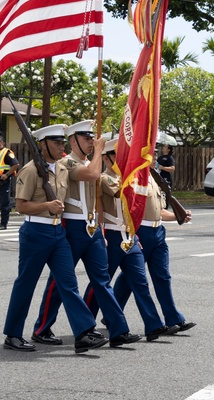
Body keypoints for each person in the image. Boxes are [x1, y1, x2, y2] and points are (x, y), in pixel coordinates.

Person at [31, 120, 140, 348]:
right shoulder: (66, 163)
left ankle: (118, 330)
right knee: (59, 282)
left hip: (91, 228)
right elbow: (91, 175)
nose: (92, 142)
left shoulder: (93, 162)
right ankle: (42, 328)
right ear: (73, 141)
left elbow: (97, 196)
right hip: (71, 226)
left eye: (92, 138)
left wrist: (99, 222)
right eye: (86, 138)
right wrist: (100, 150)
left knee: (102, 280)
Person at [1, 124, 108, 354]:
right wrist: (46, 206)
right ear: (42, 145)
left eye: (62, 142)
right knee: (26, 284)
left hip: (58, 232)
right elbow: (21, 206)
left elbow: (91, 173)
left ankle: (83, 333)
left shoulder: (61, 167)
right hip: (36, 233)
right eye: (57, 142)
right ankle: (13, 334)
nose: (62, 146)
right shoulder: (29, 170)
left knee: (68, 283)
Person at [89, 136, 188, 340]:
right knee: (101, 282)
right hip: (113, 235)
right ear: (107, 159)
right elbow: (125, 196)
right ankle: (86, 322)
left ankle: (154, 325)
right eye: (119, 155)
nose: (126, 158)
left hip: (132, 234)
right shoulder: (106, 178)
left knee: (141, 282)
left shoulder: (138, 177)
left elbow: (155, 209)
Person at [112, 165, 197, 337]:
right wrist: (133, 234)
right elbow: (129, 209)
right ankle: (113, 313)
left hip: (158, 232)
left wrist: (177, 216)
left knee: (162, 276)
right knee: (134, 278)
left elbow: (159, 210)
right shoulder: (134, 177)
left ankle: (173, 318)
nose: (154, 156)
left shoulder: (155, 178)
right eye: (152, 152)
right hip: (141, 231)